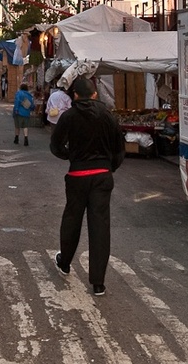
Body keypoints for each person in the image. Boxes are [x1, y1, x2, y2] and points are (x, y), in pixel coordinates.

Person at [50, 76, 125, 297]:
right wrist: (108, 166)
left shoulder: (68, 117)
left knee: (72, 219)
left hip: (77, 174)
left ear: (75, 95)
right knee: (100, 226)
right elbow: (119, 149)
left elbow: (55, 146)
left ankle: (64, 262)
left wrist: (71, 156)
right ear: (94, 94)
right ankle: (98, 282)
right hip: (102, 175)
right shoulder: (108, 117)